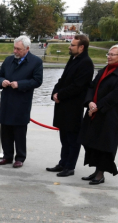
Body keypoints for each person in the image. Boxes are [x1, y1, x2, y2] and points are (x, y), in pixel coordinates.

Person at [78, 44, 118, 185]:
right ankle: (96, 170)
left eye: (112, 54)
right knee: (90, 139)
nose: (108, 56)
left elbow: (117, 94)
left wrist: (98, 106)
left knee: (104, 143)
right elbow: (92, 86)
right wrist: (90, 102)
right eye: (108, 54)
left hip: (111, 113)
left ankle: (101, 173)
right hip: (95, 110)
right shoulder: (104, 71)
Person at [47, 34, 94, 177]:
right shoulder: (73, 59)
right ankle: (63, 162)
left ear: (81, 47)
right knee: (64, 137)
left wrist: (60, 95)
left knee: (72, 139)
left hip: (74, 107)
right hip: (63, 105)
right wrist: (55, 93)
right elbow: (63, 79)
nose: (69, 46)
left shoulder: (86, 63)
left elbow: (78, 86)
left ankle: (70, 166)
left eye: (72, 45)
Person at [0, 35, 43, 168]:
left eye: (18, 49)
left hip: (22, 101)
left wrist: (20, 84)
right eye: (14, 48)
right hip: (7, 100)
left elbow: (37, 81)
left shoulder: (35, 62)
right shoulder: (8, 60)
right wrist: (2, 82)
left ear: (27, 49)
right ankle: (7, 156)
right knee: (5, 130)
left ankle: (20, 157)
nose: (15, 51)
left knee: (19, 131)